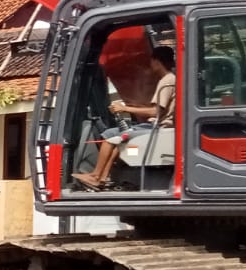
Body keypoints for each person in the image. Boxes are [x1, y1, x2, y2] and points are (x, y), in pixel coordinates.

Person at [73, 44, 176, 190]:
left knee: (109, 135)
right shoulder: (171, 79)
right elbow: (159, 109)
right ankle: (104, 177)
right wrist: (131, 104)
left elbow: (155, 112)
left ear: (157, 61)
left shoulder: (166, 81)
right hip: (158, 126)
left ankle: (95, 175)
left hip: (159, 128)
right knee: (121, 138)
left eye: (151, 62)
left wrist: (124, 108)